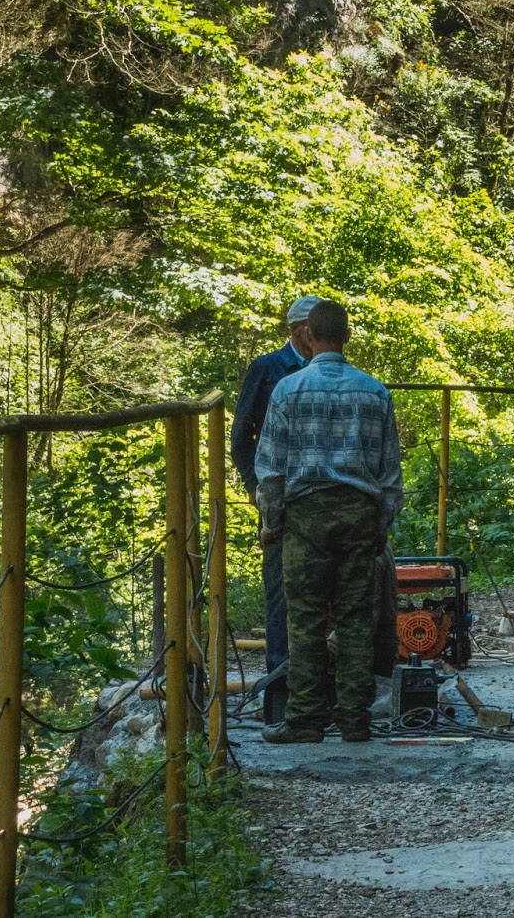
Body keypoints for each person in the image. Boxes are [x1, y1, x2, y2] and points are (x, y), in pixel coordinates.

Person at [255, 300, 404, 743]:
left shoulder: (288, 390)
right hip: (359, 512)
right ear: (347, 336)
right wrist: (380, 523)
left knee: (305, 617)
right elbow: (389, 472)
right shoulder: (374, 391)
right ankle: (354, 719)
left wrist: (272, 521)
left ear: (309, 336)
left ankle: (304, 718)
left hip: (306, 514)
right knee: (357, 615)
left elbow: (271, 468)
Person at [230, 295, 321, 724]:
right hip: (279, 497)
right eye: (314, 324)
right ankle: (281, 700)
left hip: (321, 497)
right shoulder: (268, 369)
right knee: (281, 594)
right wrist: (254, 490)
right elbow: (240, 437)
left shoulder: (331, 369)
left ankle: (321, 695)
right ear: (298, 329)